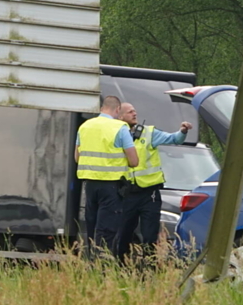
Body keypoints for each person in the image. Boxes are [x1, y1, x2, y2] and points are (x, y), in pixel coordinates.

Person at [113, 101, 192, 262]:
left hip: (150, 194)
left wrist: (183, 131)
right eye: (130, 112)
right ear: (119, 116)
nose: (135, 113)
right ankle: (121, 267)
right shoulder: (114, 135)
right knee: (123, 234)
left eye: (135, 111)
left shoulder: (149, 133)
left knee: (150, 235)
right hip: (127, 193)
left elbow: (174, 139)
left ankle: (149, 268)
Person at [76, 95, 139, 254]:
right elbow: (133, 161)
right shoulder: (119, 127)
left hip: (89, 185)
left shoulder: (85, 126)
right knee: (107, 230)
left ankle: (91, 261)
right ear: (117, 110)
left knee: (92, 225)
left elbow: (77, 157)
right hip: (111, 186)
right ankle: (103, 264)